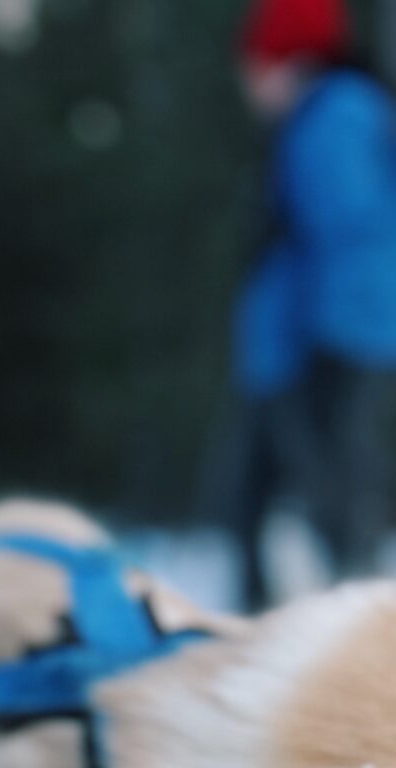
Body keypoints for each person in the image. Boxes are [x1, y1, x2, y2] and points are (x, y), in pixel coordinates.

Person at [230, 0, 396, 607]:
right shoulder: (321, 115)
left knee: (335, 499)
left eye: (257, 65)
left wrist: (330, 335)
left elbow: (351, 231)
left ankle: (367, 639)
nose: (248, 81)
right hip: (295, 343)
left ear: (289, 60)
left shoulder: (337, 113)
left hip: (327, 339)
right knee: (258, 501)